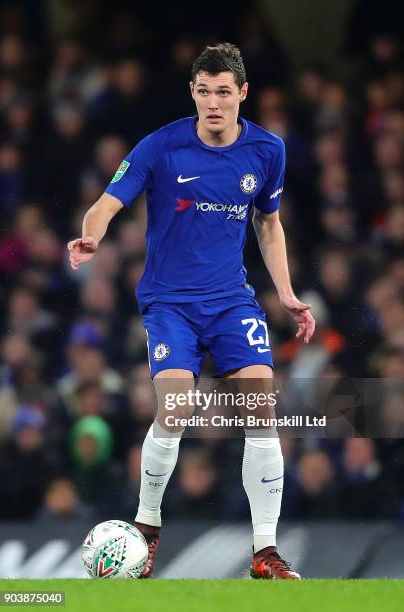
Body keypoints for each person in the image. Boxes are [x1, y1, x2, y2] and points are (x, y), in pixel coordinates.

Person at [68, 43, 315, 580]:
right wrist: (91, 237)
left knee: (262, 412)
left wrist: (288, 292)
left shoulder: (268, 151)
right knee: (176, 408)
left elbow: (268, 224)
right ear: (193, 92)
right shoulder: (162, 146)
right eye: (204, 91)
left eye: (224, 92)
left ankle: (265, 552)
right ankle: (148, 525)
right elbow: (107, 203)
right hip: (170, 303)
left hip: (231, 301)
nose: (213, 103)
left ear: (242, 94)